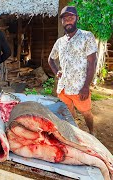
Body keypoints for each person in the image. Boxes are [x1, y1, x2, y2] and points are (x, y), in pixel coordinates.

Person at [48, 6, 97, 135]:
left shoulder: (87, 36)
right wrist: (57, 72)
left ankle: (92, 133)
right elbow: (50, 59)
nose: (68, 21)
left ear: (77, 19)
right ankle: (74, 133)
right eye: (65, 19)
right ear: (62, 22)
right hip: (63, 88)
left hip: (79, 87)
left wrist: (86, 86)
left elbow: (92, 63)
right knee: (68, 113)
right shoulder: (60, 42)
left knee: (86, 112)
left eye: (71, 17)